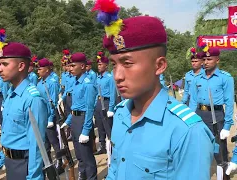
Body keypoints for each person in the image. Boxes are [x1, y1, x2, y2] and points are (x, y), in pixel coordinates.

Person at [92, 0, 215, 179]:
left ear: (159, 66)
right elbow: (115, 171)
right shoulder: (121, 114)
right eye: (114, 64)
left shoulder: (186, 131)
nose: (117, 75)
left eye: (127, 63)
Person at [0, 29, 48, 180]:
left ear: (21, 66)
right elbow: (11, 134)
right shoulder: (11, 96)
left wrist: (34, 177)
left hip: (24, 166)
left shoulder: (32, 98)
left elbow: (36, 146)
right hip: (11, 162)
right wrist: (0, 161)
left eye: (5, 64)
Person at [189, 47, 234, 174]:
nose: (206, 62)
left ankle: (223, 174)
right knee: (199, 147)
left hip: (216, 115)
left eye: (209, 59)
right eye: (204, 59)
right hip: (199, 115)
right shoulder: (197, 78)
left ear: (217, 60)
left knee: (220, 151)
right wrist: (191, 119)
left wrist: (227, 126)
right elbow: (193, 101)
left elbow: (229, 103)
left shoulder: (225, 78)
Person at [61, 52, 98, 180]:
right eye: (69, 66)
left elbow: (89, 108)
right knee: (79, 155)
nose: (70, 69)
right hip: (75, 120)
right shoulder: (76, 83)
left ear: (82, 66)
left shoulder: (87, 84)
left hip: (83, 120)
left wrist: (86, 130)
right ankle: (82, 176)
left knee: (87, 157)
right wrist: (68, 121)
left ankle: (92, 178)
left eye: (72, 66)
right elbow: (75, 106)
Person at [36, 58, 64, 174]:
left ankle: (59, 162)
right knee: (45, 143)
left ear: (47, 70)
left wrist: (50, 118)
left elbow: (52, 101)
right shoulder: (40, 82)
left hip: (49, 117)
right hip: (42, 117)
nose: (38, 71)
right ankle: (48, 165)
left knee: (54, 141)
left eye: (40, 69)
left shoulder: (51, 82)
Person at [93, 52, 113, 155]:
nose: (99, 66)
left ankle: (112, 148)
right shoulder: (98, 78)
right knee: (100, 126)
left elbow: (113, 93)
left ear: (106, 65)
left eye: (100, 64)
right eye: (98, 64)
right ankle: (102, 146)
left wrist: (111, 108)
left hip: (106, 101)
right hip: (98, 102)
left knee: (107, 126)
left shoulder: (109, 77)